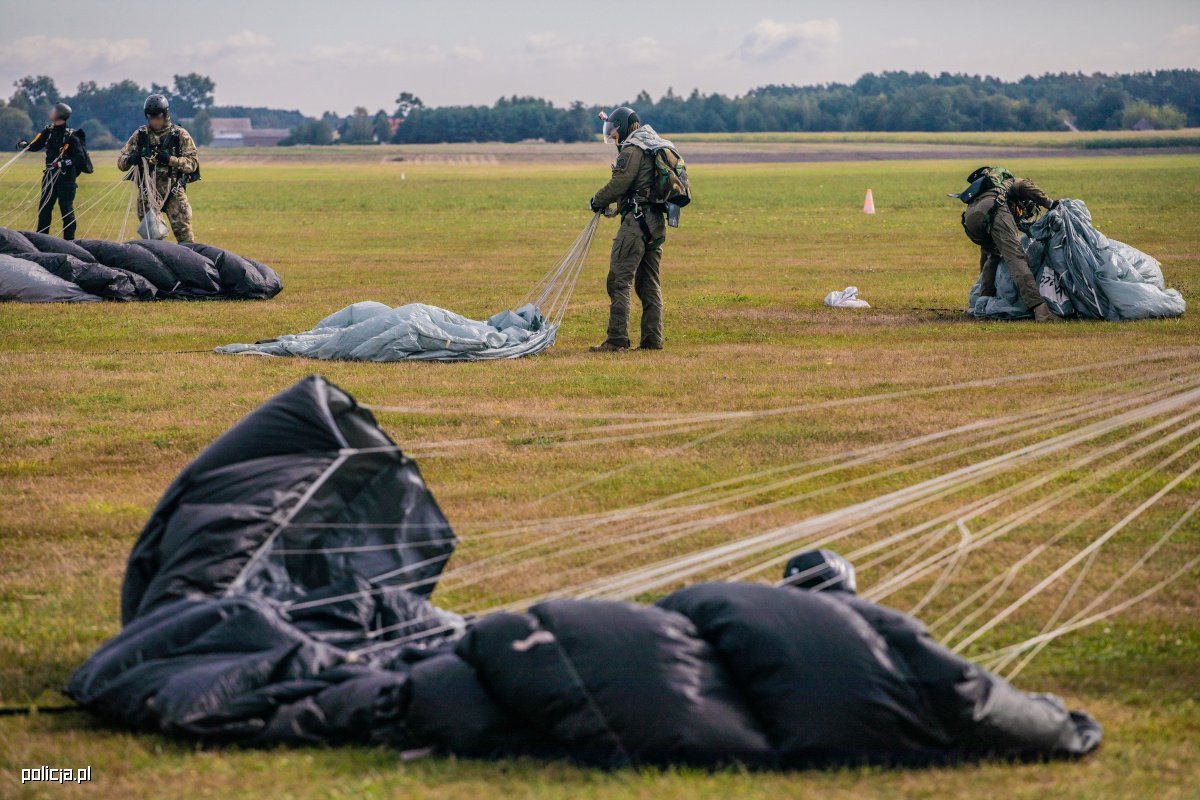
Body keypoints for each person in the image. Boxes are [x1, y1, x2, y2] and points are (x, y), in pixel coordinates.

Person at [587, 106, 666, 352]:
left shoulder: (633, 150)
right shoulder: (652, 145)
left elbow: (619, 183)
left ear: (621, 127)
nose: (612, 136)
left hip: (636, 223)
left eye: (613, 131)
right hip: (655, 224)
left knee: (619, 280)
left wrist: (597, 200)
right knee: (648, 283)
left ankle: (617, 339)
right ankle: (652, 340)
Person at [954, 166, 1058, 322]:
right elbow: (1025, 186)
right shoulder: (1011, 182)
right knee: (1015, 258)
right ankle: (1040, 310)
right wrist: (1050, 204)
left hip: (970, 219)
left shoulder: (985, 189)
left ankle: (982, 306)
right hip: (994, 209)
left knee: (992, 257)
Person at [117, 94, 200, 243]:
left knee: (184, 234)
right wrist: (131, 159)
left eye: (158, 116)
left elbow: (192, 164)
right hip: (147, 193)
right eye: (151, 117)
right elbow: (121, 162)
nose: (155, 120)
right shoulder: (140, 135)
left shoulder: (180, 135)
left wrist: (170, 160)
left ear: (166, 114)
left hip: (174, 191)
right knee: (152, 239)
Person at [15, 102, 88, 240]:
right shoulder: (48, 132)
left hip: (66, 179)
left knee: (66, 209)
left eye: (53, 110)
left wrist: (62, 164)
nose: (51, 111)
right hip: (49, 176)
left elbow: (80, 158)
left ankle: (69, 241)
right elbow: (36, 145)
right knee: (44, 209)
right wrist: (25, 145)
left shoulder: (71, 136)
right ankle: (41, 239)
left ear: (59, 114)